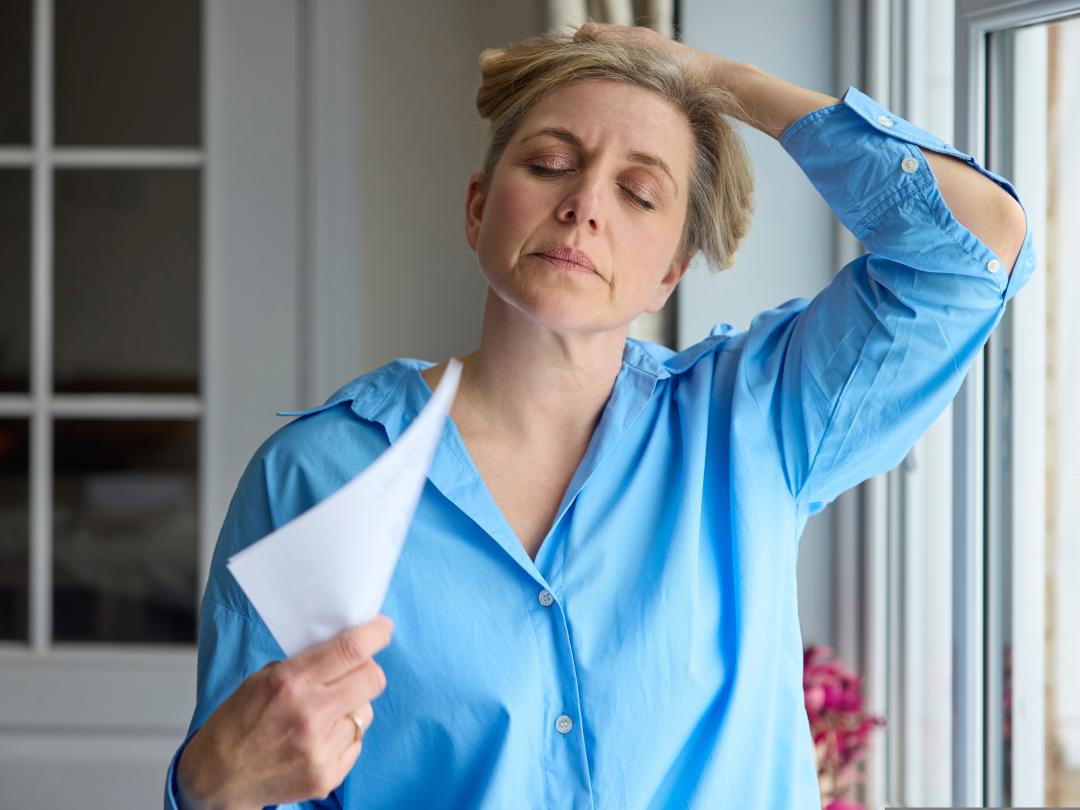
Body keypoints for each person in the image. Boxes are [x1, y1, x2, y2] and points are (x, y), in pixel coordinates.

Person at [166, 21, 1033, 810]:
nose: (584, 204)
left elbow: (975, 247)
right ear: (478, 208)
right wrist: (207, 787)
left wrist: (718, 79)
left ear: (671, 273)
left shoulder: (757, 425)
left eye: (640, 192)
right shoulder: (315, 475)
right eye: (548, 164)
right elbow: (250, 777)